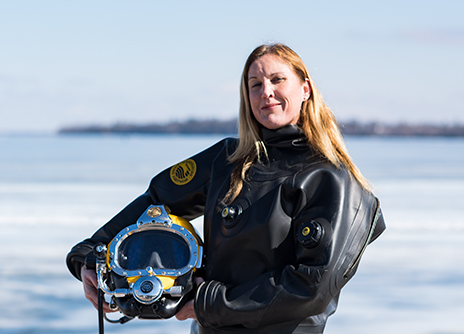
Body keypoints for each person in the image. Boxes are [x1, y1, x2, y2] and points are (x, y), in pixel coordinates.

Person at [66, 43, 385, 334]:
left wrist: (211, 303)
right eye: (255, 85)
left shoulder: (330, 178)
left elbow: (313, 286)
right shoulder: (227, 160)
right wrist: (91, 256)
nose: (266, 92)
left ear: (305, 89)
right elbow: (158, 200)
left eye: (277, 80)